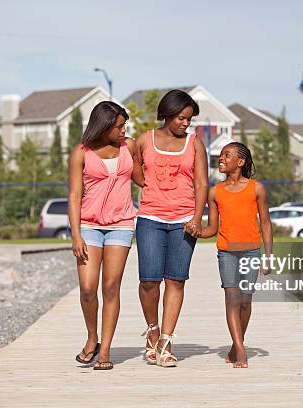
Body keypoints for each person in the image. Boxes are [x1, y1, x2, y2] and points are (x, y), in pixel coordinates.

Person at [135, 89, 208, 367]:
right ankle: (151, 330)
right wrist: (146, 184)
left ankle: (165, 341)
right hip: (150, 218)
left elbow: (201, 184)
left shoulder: (195, 144)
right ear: (166, 114)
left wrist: (197, 217)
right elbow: (133, 167)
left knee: (176, 280)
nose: (185, 124)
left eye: (189, 119)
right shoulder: (146, 140)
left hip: (184, 220)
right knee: (149, 281)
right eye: (181, 118)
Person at [68, 101, 143, 370]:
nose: (124, 131)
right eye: (119, 126)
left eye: (125, 126)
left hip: (122, 224)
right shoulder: (81, 153)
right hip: (88, 225)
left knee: (111, 287)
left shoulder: (130, 147)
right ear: (104, 126)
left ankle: (105, 351)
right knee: (88, 288)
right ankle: (92, 337)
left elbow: (140, 178)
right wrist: (76, 235)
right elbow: (75, 196)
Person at [200, 142, 273, 368]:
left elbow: (266, 223)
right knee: (232, 299)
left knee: (245, 300)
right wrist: (196, 232)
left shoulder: (256, 188)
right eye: (221, 155)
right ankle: (240, 349)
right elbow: (212, 228)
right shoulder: (215, 192)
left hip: (251, 251)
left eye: (227, 155)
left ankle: (235, 345)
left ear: (240, 162)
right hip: (226, 253)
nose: (221, 158)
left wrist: (268, 256)